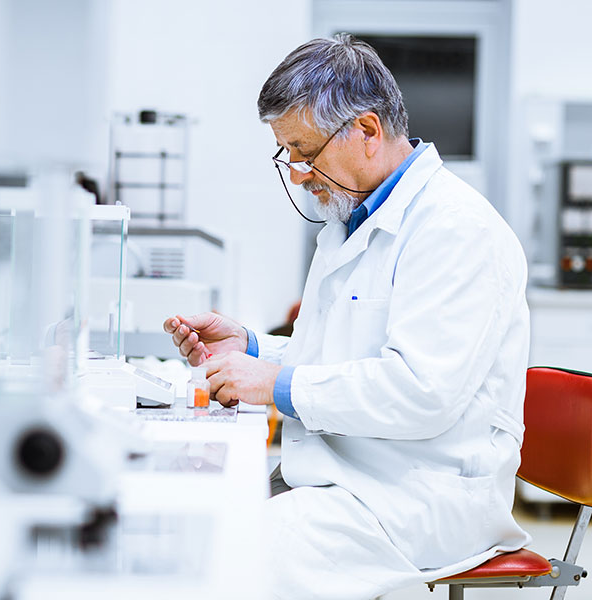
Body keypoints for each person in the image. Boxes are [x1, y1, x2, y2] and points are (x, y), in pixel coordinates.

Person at [163, 34, 530, 599]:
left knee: (226, 564)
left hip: (416, 495)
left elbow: (420, 391)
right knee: (192, 524)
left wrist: (274, 385)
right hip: (345, 474)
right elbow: (340, 358)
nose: (298, 174)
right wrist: (251, 349)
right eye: (287, 155)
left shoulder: (457, 230)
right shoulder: (349, 224)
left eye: (306, 153)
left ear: (365, 131)